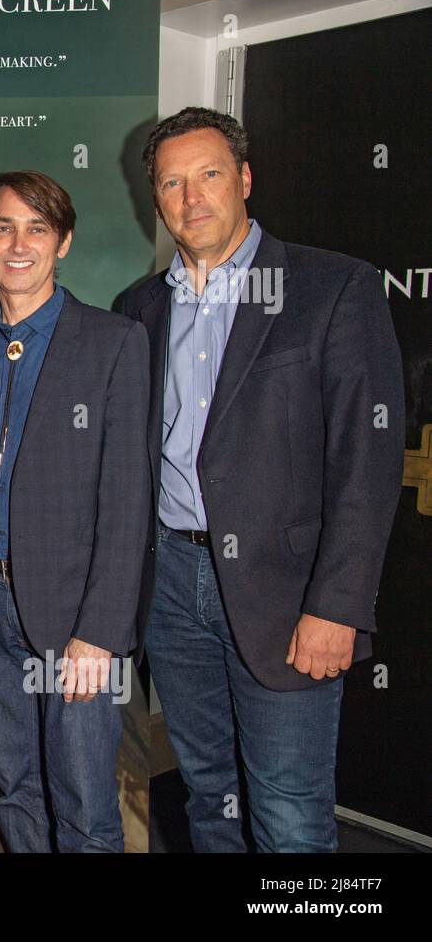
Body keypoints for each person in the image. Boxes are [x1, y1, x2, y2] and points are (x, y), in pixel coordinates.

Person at [123, 107, 405, 851]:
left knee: (287, 810)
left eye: (209, 175)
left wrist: (338, 606)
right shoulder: (140, 309)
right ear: (155, 198)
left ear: (244, 178)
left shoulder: (332, 289)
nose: (192, 198)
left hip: (288, 595)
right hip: (172, 589)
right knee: (208, 788)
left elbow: (366, 463)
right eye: (172, 183)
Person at [0, 170, 150, 852]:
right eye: (4, 227)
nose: (19, 243)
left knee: (85, 802)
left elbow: (127, 501)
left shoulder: (113, 343)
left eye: (37, 229)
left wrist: (101, 632)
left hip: (75, 617)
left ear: (63, 243)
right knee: (18, 788)